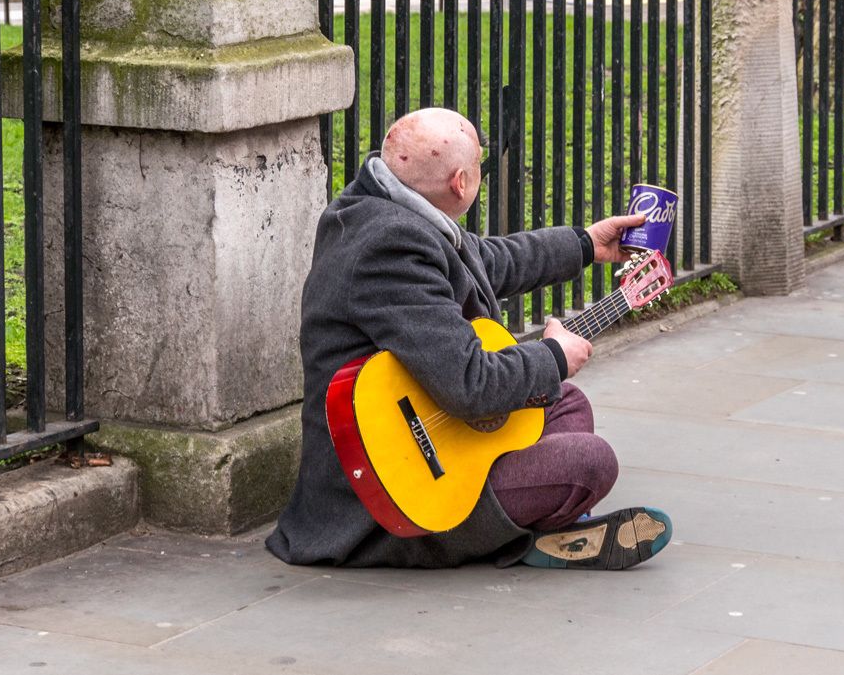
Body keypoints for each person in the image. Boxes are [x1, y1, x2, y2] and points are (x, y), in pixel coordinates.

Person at [266, 108, 672, 570]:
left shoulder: (385, 205)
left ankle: (530, 518)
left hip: (431, 420)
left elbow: (483, 262)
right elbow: (470, 384)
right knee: (591, 462)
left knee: (566, 404)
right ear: (461, 182)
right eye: (480, 165)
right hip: (387, 497)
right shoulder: (390, 245)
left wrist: (584, 243)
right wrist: (553, 356)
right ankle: (517, 532)